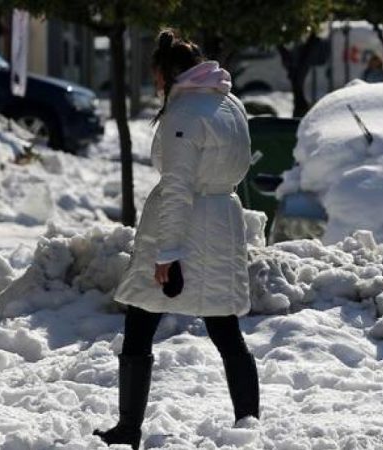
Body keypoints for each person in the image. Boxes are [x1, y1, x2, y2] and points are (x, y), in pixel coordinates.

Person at [93, 29, 259, 450]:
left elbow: (178, 187)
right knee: (225, 330)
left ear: (166, 73)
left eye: (154, 75)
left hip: (186, 227)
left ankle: (128, 428)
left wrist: (167, 252)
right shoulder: (229, 103)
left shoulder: (183, 115)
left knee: (139, 322)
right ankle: (249, 424)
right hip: (222, 221)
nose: (154, 83)